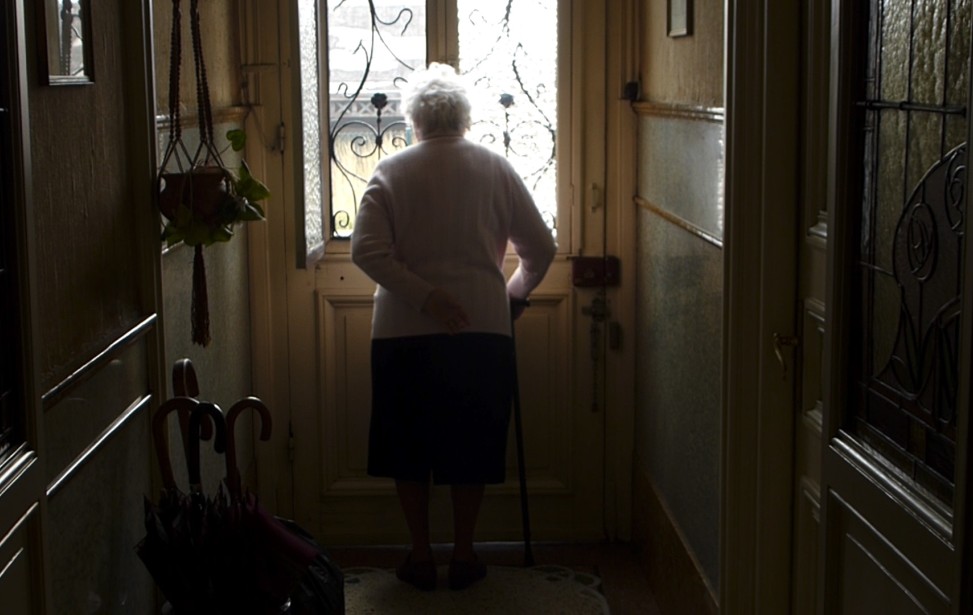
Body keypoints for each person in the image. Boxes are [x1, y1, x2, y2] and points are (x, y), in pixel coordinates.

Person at [350, 62, 556, 591]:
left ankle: (420, 556)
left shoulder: (392, 171)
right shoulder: (496, 168)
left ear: (414, 119)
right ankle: (464, 555)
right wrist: (509, 297)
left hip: (400, 331)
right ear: (465, 117)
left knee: (407, 446)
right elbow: (541, 249)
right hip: (482, 330)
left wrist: (424, 296)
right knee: (472, 443)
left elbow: (366, 251)